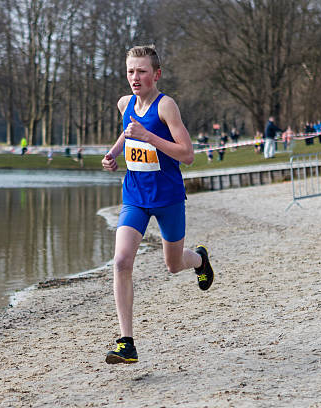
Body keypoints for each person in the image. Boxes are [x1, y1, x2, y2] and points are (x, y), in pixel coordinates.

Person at [101, 45, 214, 365]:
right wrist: (113, 154)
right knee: (122, 262)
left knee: (173, 264)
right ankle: (127, 342)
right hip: (135, 196)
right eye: (130, 72)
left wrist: (150, 137)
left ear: (156, 74)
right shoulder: (125, 103)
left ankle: (200, 260)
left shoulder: (167, 107)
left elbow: (187, 154)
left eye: (141, 72)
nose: (135, 78)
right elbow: (127, 132)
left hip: (168, 198)